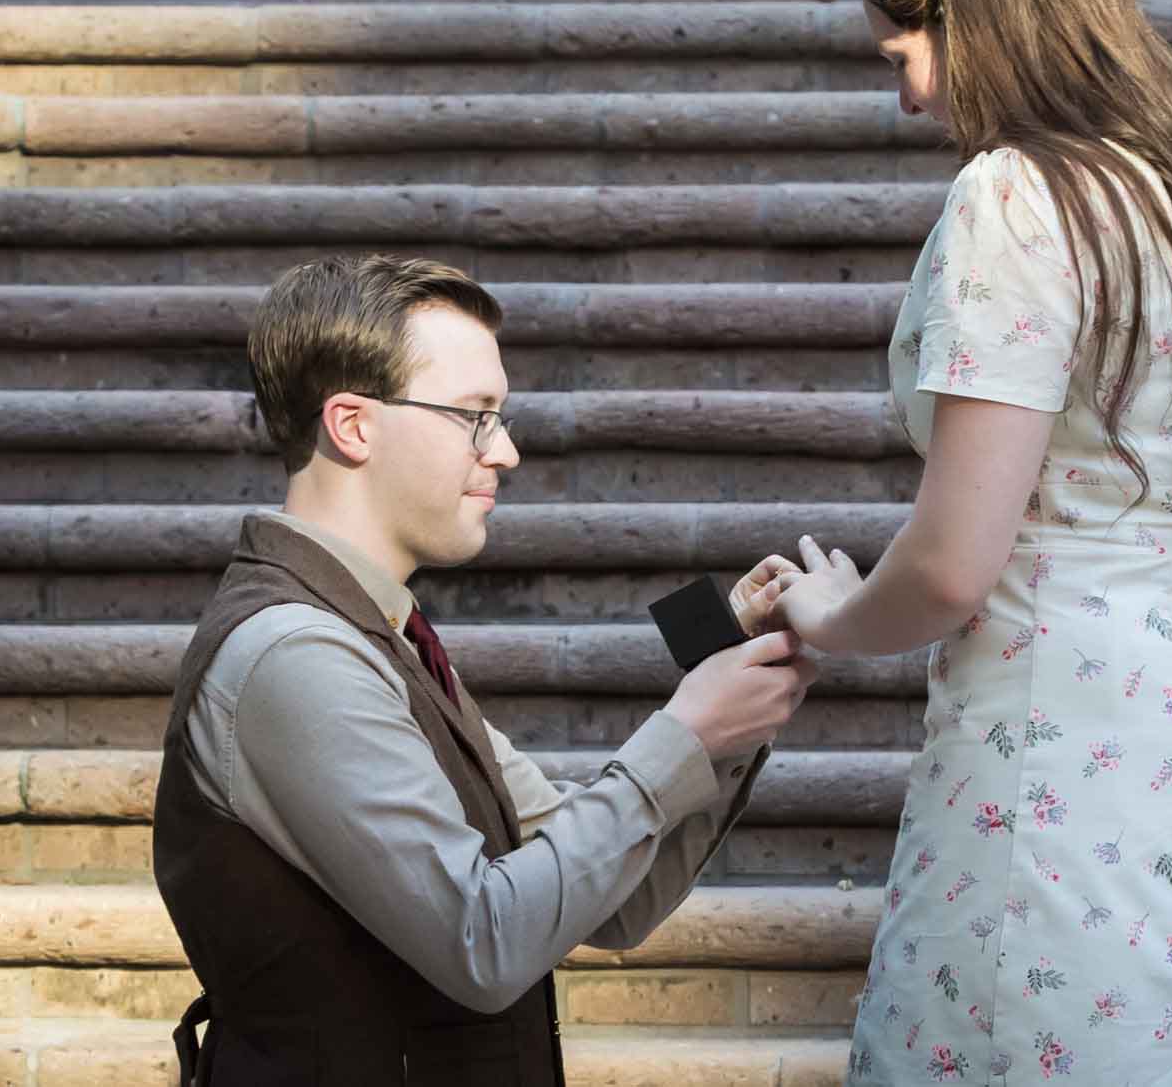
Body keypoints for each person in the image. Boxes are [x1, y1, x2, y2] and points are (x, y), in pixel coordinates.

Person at [755, 0, 1172, 1085]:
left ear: (980, 19)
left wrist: (832, 614)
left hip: (1063, 729)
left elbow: (954, 561)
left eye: (900, 54)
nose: (906, 97)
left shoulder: (1017, 196)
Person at [152, 254, 818, 1086]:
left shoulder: (377, 632)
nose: (506, 451)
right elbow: (486, 939)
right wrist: (685, 730)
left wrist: (729, 709)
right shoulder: (297, 654)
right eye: (476, 415)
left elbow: (607, 900)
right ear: (353, 425)